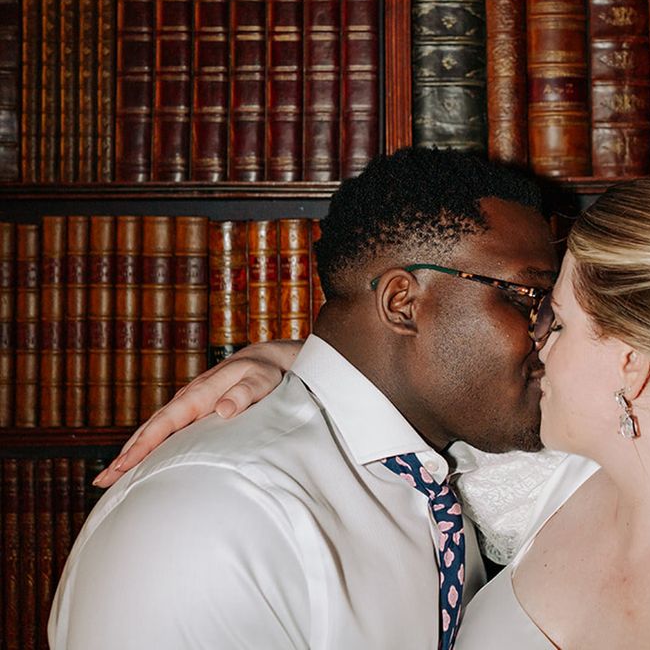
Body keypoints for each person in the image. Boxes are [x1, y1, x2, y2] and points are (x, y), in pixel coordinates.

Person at [91, 175, 650, 649]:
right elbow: (381, 395)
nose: (538, 344)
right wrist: (285, 362)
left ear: (636, 362)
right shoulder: (545, 491)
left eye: (556, 317)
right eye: (535, 308)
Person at [49, 147, 562, 649]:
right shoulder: (211, 513)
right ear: (402, 302)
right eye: (529, 298)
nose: (552, 336)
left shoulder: (444, 475)